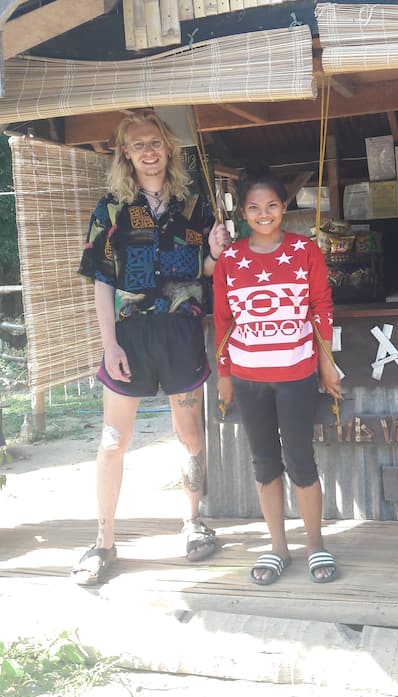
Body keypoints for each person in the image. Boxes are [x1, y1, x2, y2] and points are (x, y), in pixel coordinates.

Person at [71, 109, 230, 585]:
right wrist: (109, 344)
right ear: (126, 152)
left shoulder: (194, 205)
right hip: (130, 335)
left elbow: (206, 269)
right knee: (112, 440)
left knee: (190, 435)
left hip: (181, 330)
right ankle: (104, 541)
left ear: (168, 147)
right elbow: (101, 280)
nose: (148, 151)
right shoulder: (111, 209)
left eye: (155, 142)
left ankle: (193, 522)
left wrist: (216, 252)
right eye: (138, 144)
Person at [213, 165, 343, 585]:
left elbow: (321, 307)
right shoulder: (229, 259)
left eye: (271, 205)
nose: (263, 214)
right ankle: (278, 547)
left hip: (296, 373)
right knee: (264, 462)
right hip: (248, 377)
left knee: (300, 460)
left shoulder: (306, 251)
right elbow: (223, 321)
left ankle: (316, 545)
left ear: (284, 207)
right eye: (254, 207)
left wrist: (326, 364)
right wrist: (224, 375)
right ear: (242, 212)